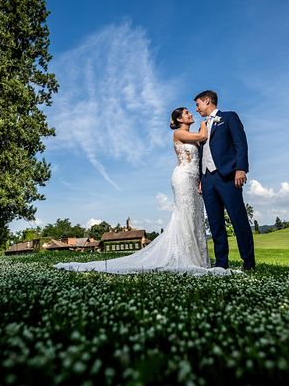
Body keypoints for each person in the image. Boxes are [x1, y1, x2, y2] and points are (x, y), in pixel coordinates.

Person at [54, 107, 230, 275]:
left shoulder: (191, 136)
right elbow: (202, 135)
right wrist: (203, 123)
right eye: (186, 113)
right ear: (178, 119)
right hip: (182, 178)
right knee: (184, 215)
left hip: (195, 179)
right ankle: (182, 256)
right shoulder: (178, 133)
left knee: (195, 216)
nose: (191, 114)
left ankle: (198, 258)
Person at [194, 90, 255, 271]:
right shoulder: (202, 126)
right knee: (215, 223)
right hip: (207, 179)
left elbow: (240, 144)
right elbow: (201, 153)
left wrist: (241, 168)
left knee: (238, 219)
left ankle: (249, 263)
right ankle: (221, 263)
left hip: (228, 176)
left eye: (198, 105)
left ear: (207, 101)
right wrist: (200, 179)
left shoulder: (229, 117)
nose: (197, 109)